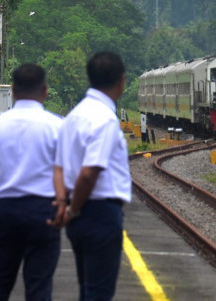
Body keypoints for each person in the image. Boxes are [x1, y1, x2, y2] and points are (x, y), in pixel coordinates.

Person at [54, 51, 131, 300]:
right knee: (98, 293)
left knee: (87, 288)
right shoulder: (105, 119)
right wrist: (73, 209)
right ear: (122, 80)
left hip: (79, 217)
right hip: (99, 213)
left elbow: (60, 167)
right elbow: (89, 174)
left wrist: (65, 204)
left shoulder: (73, 116)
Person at [0, 64, 63, 301]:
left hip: (4, 211)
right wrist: (64, 206)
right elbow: (65, 173)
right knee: (39, 287)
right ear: (45, 91)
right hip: (43, 211)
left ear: (13, 91)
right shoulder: (57, 126)